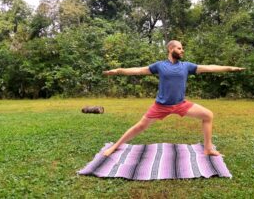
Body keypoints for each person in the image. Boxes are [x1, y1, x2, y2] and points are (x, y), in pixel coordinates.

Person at [102, 40, 246, 156]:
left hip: (180, 104)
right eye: (179, 48)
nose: (182, 50)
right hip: (161, 106)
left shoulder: (186, 66)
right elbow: (139, 70)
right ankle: (115, 146)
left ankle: (208, 148)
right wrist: (118, 71)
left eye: (182, 48)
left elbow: (210, 67)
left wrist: (230, 68)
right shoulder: (160, 65)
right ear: (170, 49)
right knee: (140, 126)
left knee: (208, 115)